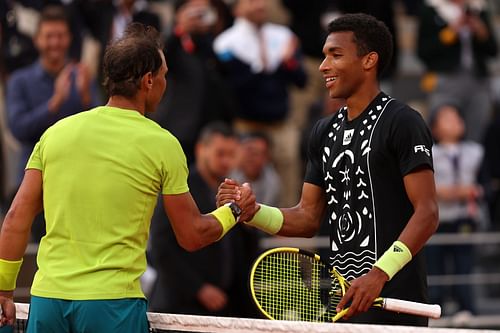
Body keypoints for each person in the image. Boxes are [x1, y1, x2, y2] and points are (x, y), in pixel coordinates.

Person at [0, 23, 254, 332]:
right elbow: (191, 235)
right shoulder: (162, 143)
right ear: (149, 81)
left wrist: (4, 290)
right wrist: (234, 211)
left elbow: (15, 217)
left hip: (48, 301)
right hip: (112, 305)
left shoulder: (55, 133)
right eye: (164, 75)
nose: (165, 83)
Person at [217, 13, 439, 326]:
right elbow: (307, 217)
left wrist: (378, 274)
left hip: (397, 304)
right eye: (324, 56)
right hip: (342, 306)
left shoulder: (403, 122)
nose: (323, 66)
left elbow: (427, 212)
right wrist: (253, 212)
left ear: (368, 61)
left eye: (335, 55)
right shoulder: (322, 132)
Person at [5, 5, 101, 242]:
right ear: (38, 40)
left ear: (69, 39)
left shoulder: (82, 78)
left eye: (60, 36)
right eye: (49, 36)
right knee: (35, 257)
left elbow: (100, 130)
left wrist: (87, 99)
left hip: (79, 184)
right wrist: (54, 103)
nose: (55, 43)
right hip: (34, 186)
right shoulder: (20, 81)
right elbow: (18, 129)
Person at [148, 122, 258, 318]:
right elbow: (160, 246)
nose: (226, 161)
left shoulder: (232, 190)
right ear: (201, 149)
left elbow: (242, 249)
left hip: (225, 307)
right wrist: (198, 288)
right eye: (220, 153)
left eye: (231, 155)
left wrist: (250, 221)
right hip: (179, 306)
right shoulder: (179, 187)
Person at [213, 0, 307, 206]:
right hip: (246, 126)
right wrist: (269, 66)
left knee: (289, 190)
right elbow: (234, 85)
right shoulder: (225, 42)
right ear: (236, 8)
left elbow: (301, 80)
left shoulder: (284, 36)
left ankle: (286, 235)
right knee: (242, 191)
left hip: (281, 125)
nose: (259, 5)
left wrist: (288, 63)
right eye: (251, 1)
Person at [150, 0, 235, 165]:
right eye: (194, 11)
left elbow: (223, 72)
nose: (199, 16)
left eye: (204, 11)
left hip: (207, 132)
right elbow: (157, 59)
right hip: (176, 131)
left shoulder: (209, 44)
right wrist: (179, 29)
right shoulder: (172, 42)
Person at [427, 104, 484, 317]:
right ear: (434, 127)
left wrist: (474, 191)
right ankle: (436, 310)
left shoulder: (476, 152)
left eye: (456, 117)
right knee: (435, 267)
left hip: (465, 218)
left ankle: (466, 307)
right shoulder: (429, 153)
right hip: (437, 220)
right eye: (446, 118)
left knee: (464, 267)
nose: (453, 122)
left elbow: (485, 183)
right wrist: (443, 193)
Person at [417, 0, 498, 143]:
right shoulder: (432, 9)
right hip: (445, 79)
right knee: (446, 128)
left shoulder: (479, 9)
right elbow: (423, 52)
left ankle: (475, 163)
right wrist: (451, 32)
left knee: (478, 128)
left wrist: (480, 31)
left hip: (477, 79)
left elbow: (493, 51)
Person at [230, 132, 281, 207]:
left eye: (256, 154)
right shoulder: (227, 174)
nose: (251, 159)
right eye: (248, 152)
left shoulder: (273, 184)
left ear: (267, 157)